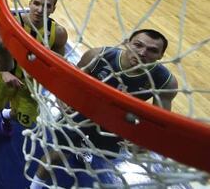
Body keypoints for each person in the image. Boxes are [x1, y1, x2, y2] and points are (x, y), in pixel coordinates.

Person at [30, 29, 178, 189]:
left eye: (152, 50)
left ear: (161, 56)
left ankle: (83, 145)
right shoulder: (99, 55)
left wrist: (144, 138)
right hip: (82, 112)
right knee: (57, 156)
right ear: (127, 42)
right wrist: (63, 100)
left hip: (114, 125)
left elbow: (158, 121)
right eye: (138, 45)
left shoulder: (165, 81)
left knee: (102, 154)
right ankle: (35, 186)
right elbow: (69, 80)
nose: (143, 53)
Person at [0, 0, 68, 156]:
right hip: (2, 75)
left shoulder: (58, 33)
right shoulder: (12, 22)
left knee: (25, 119)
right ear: (30, 3)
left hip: (30, 83)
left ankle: (6, 116)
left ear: (53, 9)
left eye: (47, 6)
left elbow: (56, 66)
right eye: (36, 3)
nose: (40, 9)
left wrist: (59, 94)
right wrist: (4, 72)